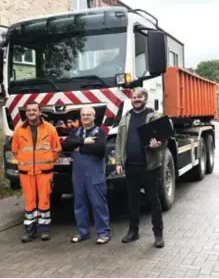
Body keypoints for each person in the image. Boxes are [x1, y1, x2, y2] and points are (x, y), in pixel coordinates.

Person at [115, 87, 166, 248]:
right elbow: (119, 141)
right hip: (131, 166)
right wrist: (118, 162)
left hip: (149, 166)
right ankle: (133, 231)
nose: (136, 99)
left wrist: (158, 144)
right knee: (133, 201)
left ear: (145, 99)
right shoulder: (125, 117)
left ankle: (158, 234)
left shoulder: (153, 116)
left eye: (139, 97)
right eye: (134, 97)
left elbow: (163, 139)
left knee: (153, 200)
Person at [12, 101, 61, 242]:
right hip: (26, 173)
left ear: (40, 112)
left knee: (44, 201)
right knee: (30, 202)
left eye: (34, 110)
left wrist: (47, 162)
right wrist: (24, 161)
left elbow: (56, 149)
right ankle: (30, 231)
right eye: (29, 110)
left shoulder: (50, 129)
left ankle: (44, 230)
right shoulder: (19, 129)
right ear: (26, 113)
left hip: (45, 172)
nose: (31, 113)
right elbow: (15, 150)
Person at [62, 107, 111, 244]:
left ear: (94, 117)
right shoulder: (76, 131)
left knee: (98, 204)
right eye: (83, 115)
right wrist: (84, 142)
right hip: (78, 176)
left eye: (88, 115)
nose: (85, 117)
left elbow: (100, 149)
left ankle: (104, 233)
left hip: (94, 175)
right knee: (79, 204)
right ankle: (83, 232)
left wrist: (79, 148)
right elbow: (66, 144)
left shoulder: (99, 132)